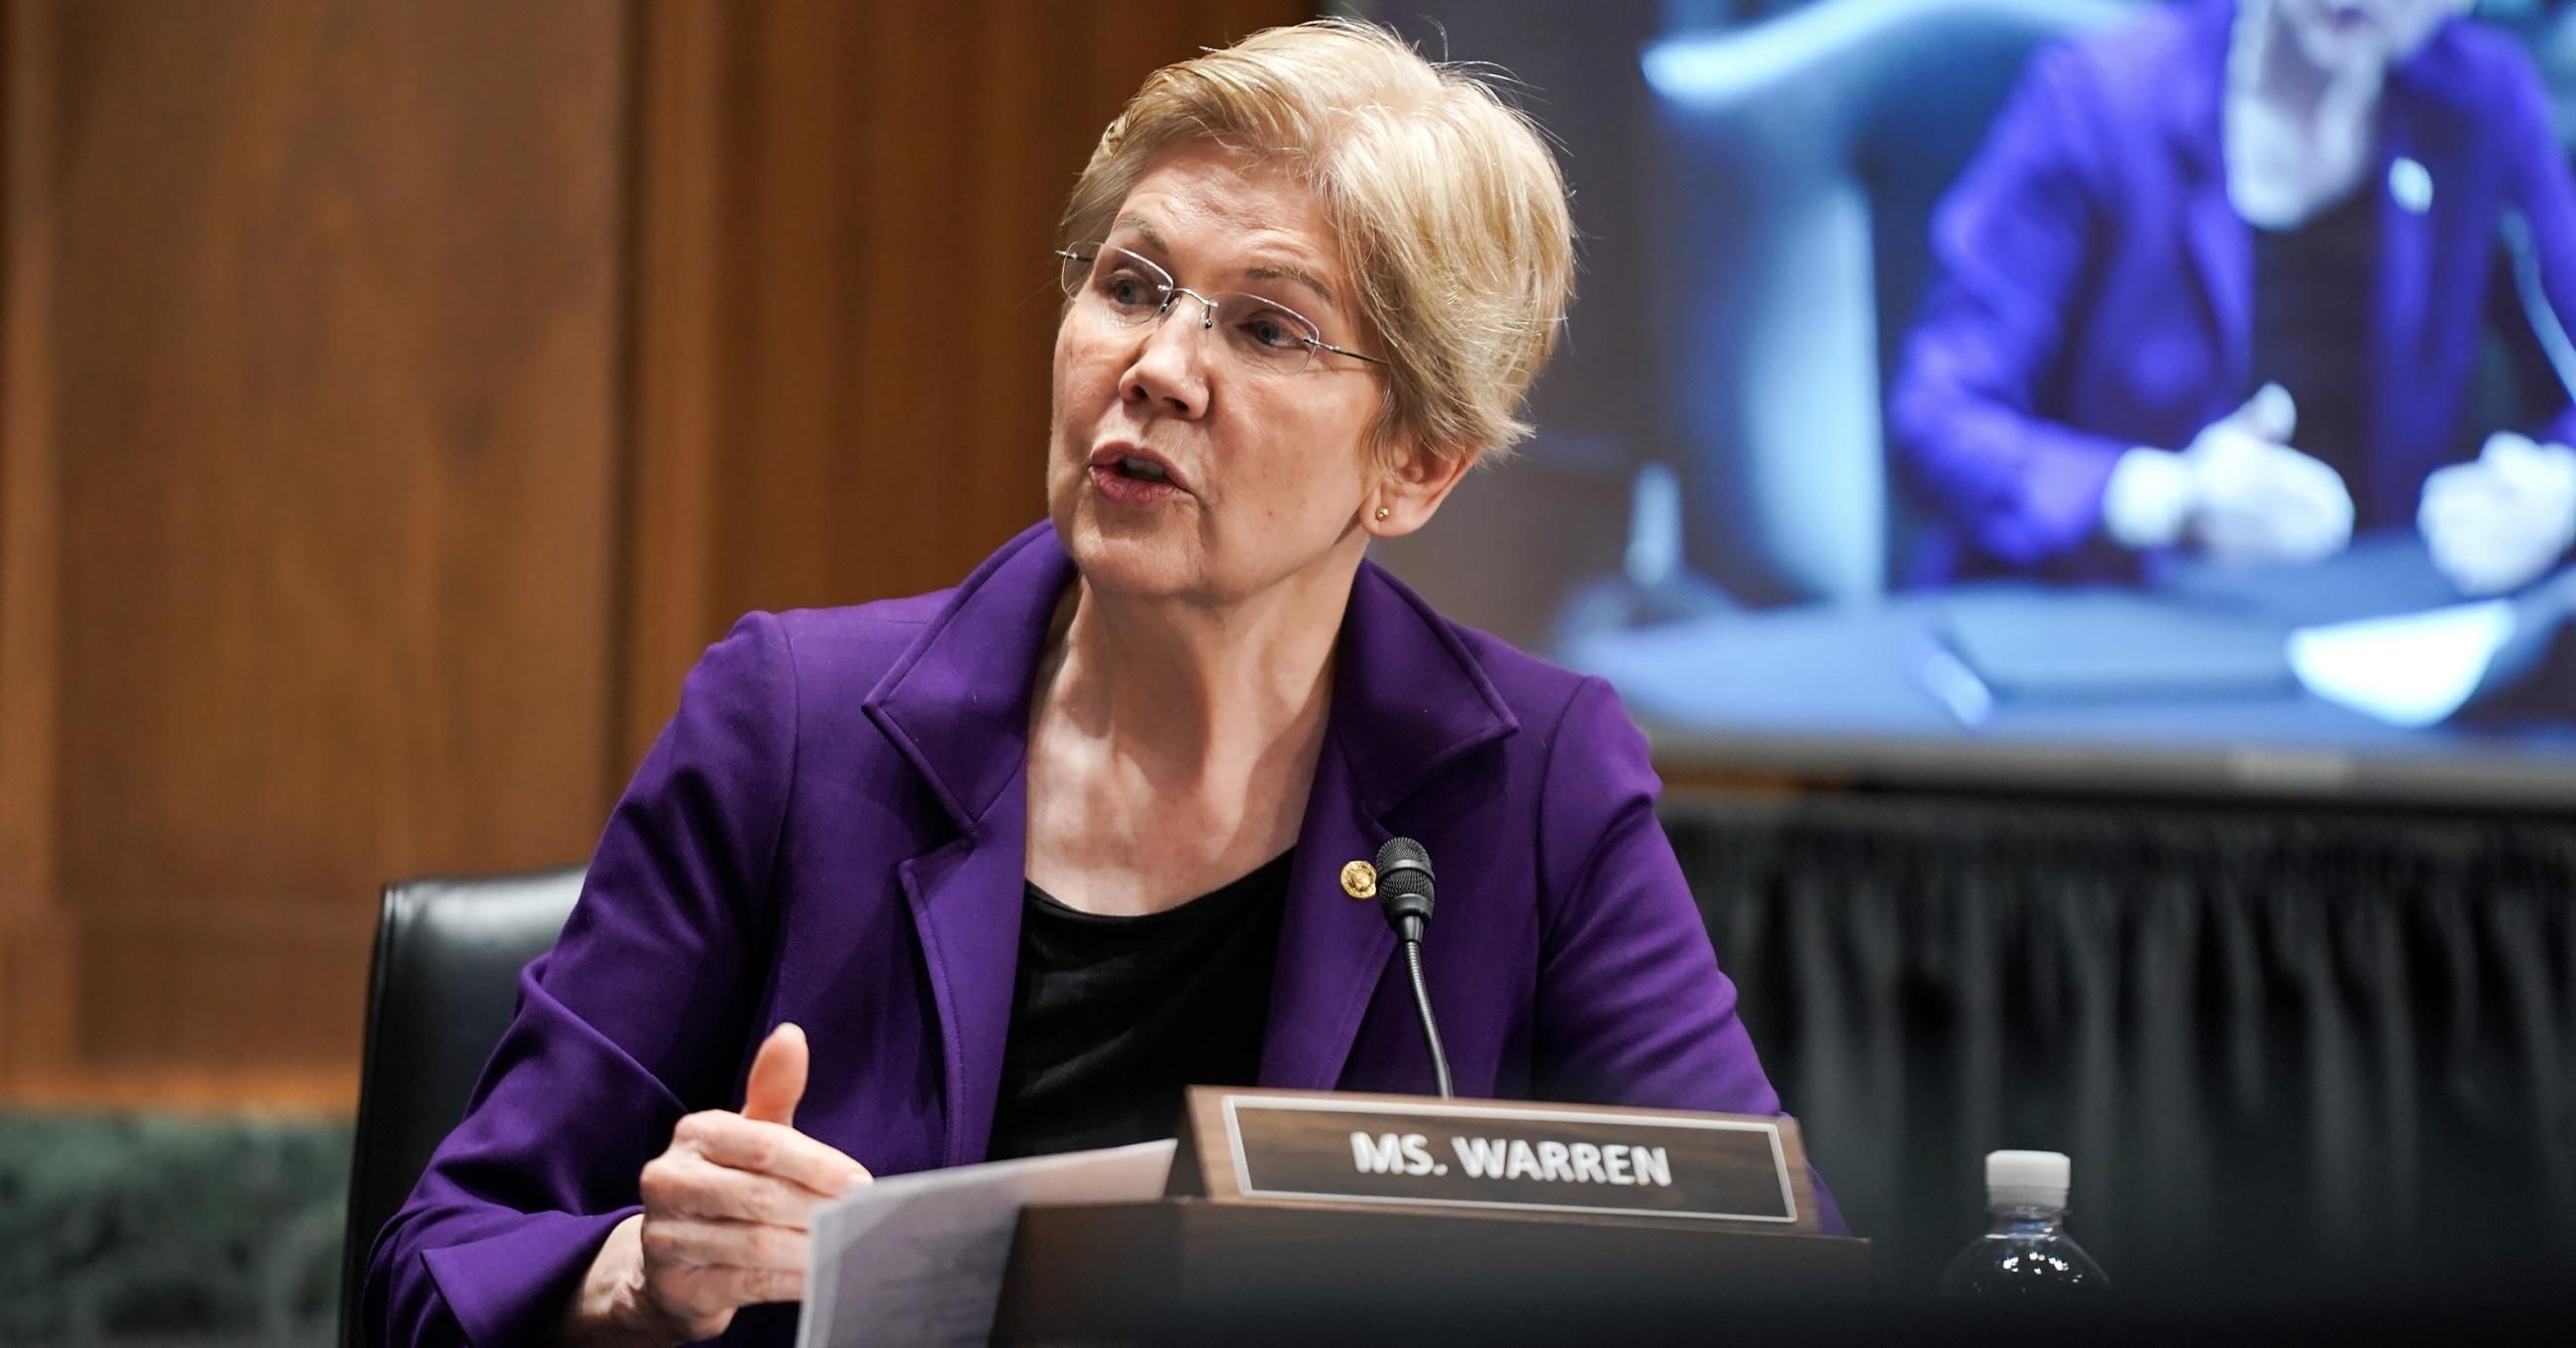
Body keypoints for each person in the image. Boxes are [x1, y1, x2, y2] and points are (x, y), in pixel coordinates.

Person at [362, 20, 1823, 1348]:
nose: (1158, 366)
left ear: (1416, 465)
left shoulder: (1531, 783)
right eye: (1131, 285)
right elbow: (437, 1264)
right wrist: (636, 1273)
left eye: (1265, 327)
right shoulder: (794, 728)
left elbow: (1761, 1270)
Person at [1887, 0, 2576, 593]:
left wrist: (2558, 491)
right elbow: (1938, 412)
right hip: (2117, 617)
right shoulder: (2102, 99)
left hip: (2371, 633)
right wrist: (2166, 498)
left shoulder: (2482, 104)